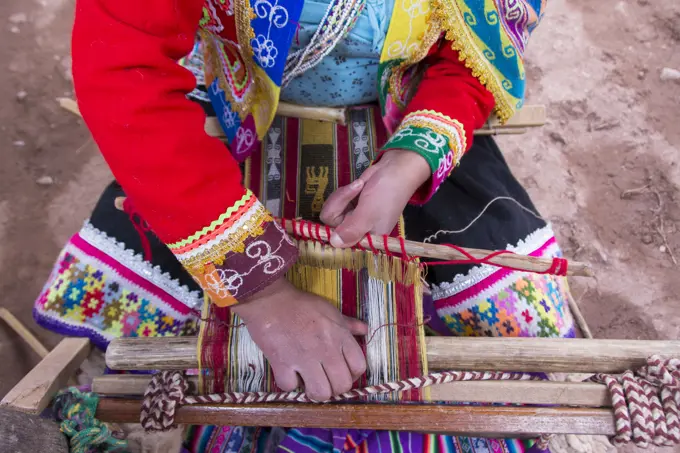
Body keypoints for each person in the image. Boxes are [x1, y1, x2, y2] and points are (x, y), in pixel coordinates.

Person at [35, 0, 575, 451]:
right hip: (229, 105)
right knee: (134, 329)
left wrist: (412, 159)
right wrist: (262, 295)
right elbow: (125, 66)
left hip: (400, 110)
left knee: (510, 320)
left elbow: (478, 42)